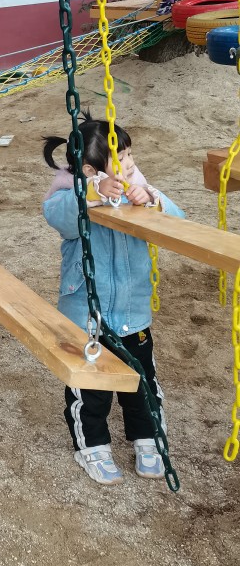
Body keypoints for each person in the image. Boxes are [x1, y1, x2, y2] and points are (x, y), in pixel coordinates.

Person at [42, 115, 184, 486]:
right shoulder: (71, 195)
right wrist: (92, 192)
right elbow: (59, 217)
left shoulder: (139, 189)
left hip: (133, 313)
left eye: (130, 155)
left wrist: (152, 199)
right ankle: (92, 445)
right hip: (86, 316)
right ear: (90, 170)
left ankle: (147, 437)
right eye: (121, 160)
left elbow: (178, 220)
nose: (130, 164)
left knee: (142, 382)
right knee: (91, 388)